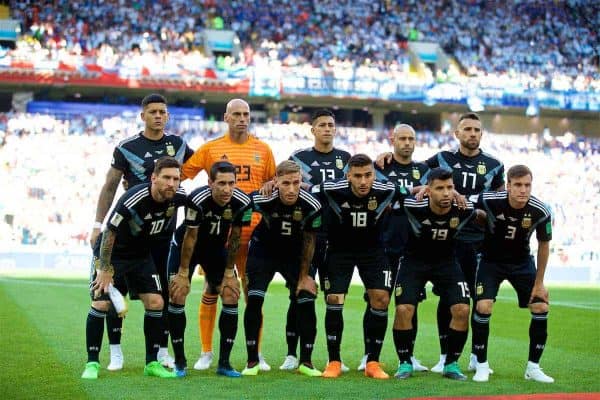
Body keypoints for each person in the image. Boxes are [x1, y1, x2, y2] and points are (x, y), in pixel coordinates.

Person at [379, 113, 504, 373]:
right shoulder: (441, 159)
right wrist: (384, 159)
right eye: (466, 129)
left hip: (474, 241)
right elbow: (411, 168)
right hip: (435, 246)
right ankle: (439, 356)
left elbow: (496, 202)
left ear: (482, 134)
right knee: (431, 303)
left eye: (476, 130)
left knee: (472, 301)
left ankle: (476, 358)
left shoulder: (494, 165)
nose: (472, 133)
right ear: (457, 134)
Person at [89, 93, 193, 371]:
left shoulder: (179, 145)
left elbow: (200, 166)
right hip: (129, 230)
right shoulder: (127, 147)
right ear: (143, 115)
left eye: (163, 112)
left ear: (168, 116)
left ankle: (158, 353)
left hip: (163, 235)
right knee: (115, 291)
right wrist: (98, 224)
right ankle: (115, 352)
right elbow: (110, 185)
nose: (158, 116)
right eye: (153, 111)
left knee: (162, 296)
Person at [181, 98, 276, 371]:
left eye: (246, 114)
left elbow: (272, 180)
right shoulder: (211, 149)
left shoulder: (263, 149)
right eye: (236, 114)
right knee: (213, 288)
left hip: (254, 233)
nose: (242, 119)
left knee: (251, 294)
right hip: (219, 235)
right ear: (226, 117)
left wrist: (270, 184)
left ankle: (255, 354)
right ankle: (206, 352)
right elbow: (182, 174)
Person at [81, 157, 187, 379]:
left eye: (176, 179)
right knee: (100, 303)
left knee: (157, 302)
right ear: (154, 178)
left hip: (141, 256)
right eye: (166, 178)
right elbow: (109, 232)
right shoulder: (134, 198)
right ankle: (92, 363)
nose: (172, 183)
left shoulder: (179, 197)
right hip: (113, 254)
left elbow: (200, 205)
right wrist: (105, 268)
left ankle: (151, 363)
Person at [315, 154, 411, 379]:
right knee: (334, 299)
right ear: (348, 176)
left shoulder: (386, 189)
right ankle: (334, 361)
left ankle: (373, 362)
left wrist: (430, 189)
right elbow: (307, 189)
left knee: (381, 299)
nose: (363, 181)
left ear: (373, 174)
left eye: (368, 175)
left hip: (373, 251)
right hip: (339, 250)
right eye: (357, 176)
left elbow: (411, 191)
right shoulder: (332, 188)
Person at [277, 108, 351, 372]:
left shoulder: (346, 159)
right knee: (299, 295)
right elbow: (287, 183)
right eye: (322, 125)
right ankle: (291, 354)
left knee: (334, 298)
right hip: (305, 235)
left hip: (337, 237)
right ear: (313, 130)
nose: (327, 129)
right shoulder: (299, 158)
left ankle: (335, 358)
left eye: (331, 125)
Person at [393, 167, 479, 381]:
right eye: (440, 188)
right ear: (429, 191)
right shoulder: (413, 206)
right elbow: (394, 191)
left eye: (450, 188)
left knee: (462, 309)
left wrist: (461, 196)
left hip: (447, 263)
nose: (446, 193)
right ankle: (405, 362)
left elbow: (484, 211)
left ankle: (451, 363)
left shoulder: (464, 209)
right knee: (404, 309)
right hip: (414, 261)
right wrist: (418, 188)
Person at [167, 161, 252, 378]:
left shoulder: (242, 201)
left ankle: (224, 363)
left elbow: (235, 237)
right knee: (177, 294)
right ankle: (180, 361)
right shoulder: (197, 198)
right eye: (221, 183)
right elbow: (190, 236)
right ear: (210, 182)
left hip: (215, 250)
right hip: (188, 247)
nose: (226, 189)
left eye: (231, 183)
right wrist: (184, 273)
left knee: (231, 295)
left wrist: (229, 273)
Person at [471, 165, 554, 383]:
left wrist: (540, 284)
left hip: (521, 262)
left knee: (540, 305)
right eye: (517, 185)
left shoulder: (541, 210)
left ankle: (533, 368)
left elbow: (544, 245)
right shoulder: (489, 199)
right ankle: (481, 365)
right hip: (490, 261)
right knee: (483, 306)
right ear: (507, 186)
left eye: (527, 185)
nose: (523, 190)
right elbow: (463, 200)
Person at [241, 160, 322, 377]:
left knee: (305, 298)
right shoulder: (261, 198)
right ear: (275, 181)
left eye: (296, 183)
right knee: (255, 299)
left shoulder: (311, 205)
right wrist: (231, 268)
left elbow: (309, 241)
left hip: (294, 255)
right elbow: (241, 221)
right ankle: (252, 361)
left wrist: (305, 276)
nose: (292, 189)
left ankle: (306, 361)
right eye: (286, 183)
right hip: (263, 252)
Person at [372, 124, 430, 373]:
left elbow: (433, 194)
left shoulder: (425, 170)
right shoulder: (379, 167)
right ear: (392, 140)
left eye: (411, 138)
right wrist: (407, 192)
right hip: (383, 243)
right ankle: (370, 355)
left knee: (410, 302)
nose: (407, 143)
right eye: (402, 138)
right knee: (377, 300)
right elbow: (378, 193)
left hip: (414, 246)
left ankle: (410, 355)